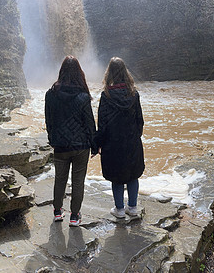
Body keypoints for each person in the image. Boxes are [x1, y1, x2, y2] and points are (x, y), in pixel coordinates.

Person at [44, 55, 97, 227]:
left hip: (60, 145)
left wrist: (52, 138)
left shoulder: (50, 95)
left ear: (61, 72)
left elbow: (49, 120)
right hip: (81, 146)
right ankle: (74, 216)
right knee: (78, 181)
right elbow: (90, 123)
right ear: (79, 73)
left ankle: (58, 211)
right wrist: (95, 145)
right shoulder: (83, 96)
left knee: (60, 179)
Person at [95, 57, 145, 219]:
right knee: (133, 174)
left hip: (112, 143)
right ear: (125, 73)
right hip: (131, 141)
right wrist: (135, 137)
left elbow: (102, 124)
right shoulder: (134, 94)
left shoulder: (106, 95)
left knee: (117, 177)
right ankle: (133, 207)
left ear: (109, 73)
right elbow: (140, 120)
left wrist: (98, 144)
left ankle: (120, 210)